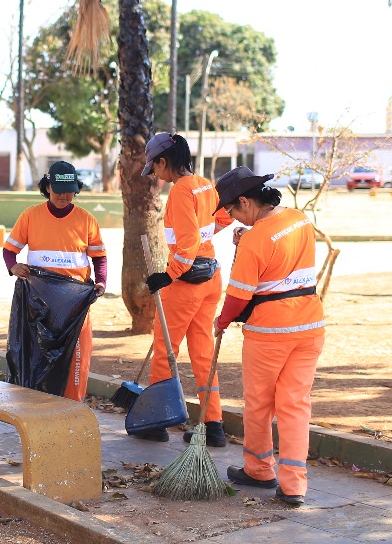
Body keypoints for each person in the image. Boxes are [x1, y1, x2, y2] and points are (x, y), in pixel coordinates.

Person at [212, 166, 326, 507]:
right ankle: (294, 486)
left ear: (245, 202)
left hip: (270, 333)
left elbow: (239, 297)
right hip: (309, 326)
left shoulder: (256, 239)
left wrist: (222, 320)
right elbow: (282, 262)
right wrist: (246, 241)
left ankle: (260, 470)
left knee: (260, 404)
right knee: (295, 405)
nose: (231, 217)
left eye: (231, 210)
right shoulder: (300, 218)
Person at [139, 132, 232, 445]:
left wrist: (168, 274)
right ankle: (213, 425)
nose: (157, 176)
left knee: (166, 350)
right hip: (211, 277)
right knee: (203, 351)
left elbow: (188, 241)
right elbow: (223, 218)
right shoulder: (205, 184)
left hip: (187, 284)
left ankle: (155, 421)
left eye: (156, 169)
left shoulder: (180, 190)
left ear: (165, 161)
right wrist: (203, 243)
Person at [3, 161, 107, 401]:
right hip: (39, 305)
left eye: (70, 190)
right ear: (48, 187)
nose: (64, 196)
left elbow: (99, 257)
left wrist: (101, 282)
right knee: (38, 355)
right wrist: (13, 267)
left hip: (75, 305)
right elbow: (9, 251)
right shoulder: (30, 216)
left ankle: (73, 406)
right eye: (59, 190)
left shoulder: (86, 219)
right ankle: (38, 406)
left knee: (76, 358)